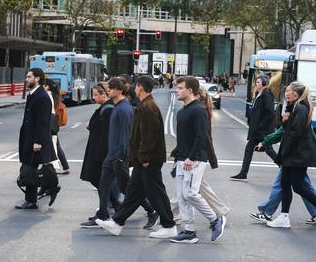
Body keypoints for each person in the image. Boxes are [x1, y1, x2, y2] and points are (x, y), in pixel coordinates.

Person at [96, 75, 177, 239]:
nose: (134, 88)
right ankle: (117, 222)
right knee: (134, 192)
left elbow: (149, 136)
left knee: (156, 192)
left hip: (149, 160)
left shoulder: (148, 107)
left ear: (140, 87)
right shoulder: (145, 105)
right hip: (144, 159)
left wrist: (145, 157)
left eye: (136, 86)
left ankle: (169, 225)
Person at [88, 77, 156, 228]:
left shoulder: (124, 109)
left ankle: (152, 210)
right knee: (103, 185)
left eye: (111, 89)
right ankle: (103, 215)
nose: (108, 91)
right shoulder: (117, 106)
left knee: (128, 189)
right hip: (111, 155)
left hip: (119, 156)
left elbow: (126, 136)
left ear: (119, 90)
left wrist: (121, 155)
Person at [259, 82, 316, 228]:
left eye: (289, 91)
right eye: (286, 90)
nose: (286, 93)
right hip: (294, 154)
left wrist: (283, 153)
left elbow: (295, 134)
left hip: (298, 155)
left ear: (295, 94)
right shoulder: (294, 107)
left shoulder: (300, 109)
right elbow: (285, 130)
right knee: (285, 184)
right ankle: (284, 217)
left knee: (299, 186)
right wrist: (285, 119)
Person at [169, 82, 229, 236]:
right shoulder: (182, 112)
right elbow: (183, 139)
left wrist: (191, 157)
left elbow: (201, 136)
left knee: (190, 194)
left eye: (180, 88)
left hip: (194, 159)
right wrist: (177, 158)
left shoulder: (198, 111)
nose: (177, 90)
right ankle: (188, 231)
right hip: (183, 158)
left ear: (190, 91)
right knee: (182, 196)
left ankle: (216, 219)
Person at [16, 68, 59, 210]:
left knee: (30, 169)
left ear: (38, 78)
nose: (26, 79)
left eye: (29, 77)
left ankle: (45, 190)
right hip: (29, 138)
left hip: (35, 140)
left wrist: (37, 142)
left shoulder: (42, 97)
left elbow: (43, 122)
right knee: (31, 169)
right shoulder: (34, 94)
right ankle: (32, 199)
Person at [80, 84, 115, 224]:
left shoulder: (107, 109)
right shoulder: (104, 108)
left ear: (104, 94)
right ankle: (106, 211)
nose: (94, 98)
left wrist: (101, 156)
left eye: (96, 95)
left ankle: (104, 213)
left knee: (102, 183)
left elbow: (106, 135)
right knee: (101, 183)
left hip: (99, 152)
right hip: (96, 150)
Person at [231, 74, 276, 181]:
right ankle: (243, 173)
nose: (256, 84)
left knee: (269, 150)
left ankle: (284, 167)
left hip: (263, 131)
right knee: (250, 149)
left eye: (258, 82)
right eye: (256, 82)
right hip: (257, 130)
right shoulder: (258, 94)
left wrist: (260, 126)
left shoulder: (267, 95)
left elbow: (270, 113)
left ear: (264, 83)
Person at [44, 79, 70, 174]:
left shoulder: (47, 96)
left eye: (44, 85)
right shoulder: (56, 96)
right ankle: (65, 166)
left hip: (49, 123)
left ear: (47, 86)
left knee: (53, 146)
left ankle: (54, 167)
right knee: (56, 145)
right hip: (55, 123)